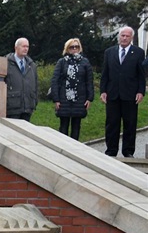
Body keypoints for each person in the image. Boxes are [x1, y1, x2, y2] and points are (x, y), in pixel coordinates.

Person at [100, 26, 146, 157]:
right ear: (119, 37)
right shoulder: (109, 52)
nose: (124, 38)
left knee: (130, 124)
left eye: (127, 36)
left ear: (131, 38)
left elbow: (141, 75)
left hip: (130, 94)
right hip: (113, 93)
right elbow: (105, 73)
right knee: (112, 123)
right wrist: (103, 90)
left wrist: (140, 91)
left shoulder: (138, 52)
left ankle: (128, 151)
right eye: (122, 35)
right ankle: (111, 150)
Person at [50, 38, 94, 140]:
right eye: (72, 47)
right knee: (63, 126)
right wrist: (56, 99)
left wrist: (89, 98)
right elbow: (55, 81)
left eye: (76, 47)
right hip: (64, 98)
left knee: (76, 126)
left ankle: (75, 150)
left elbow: (89, 81)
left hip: (79, 99)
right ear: (67, 49)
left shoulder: (85, 62)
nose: (74, 49)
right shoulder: (62, 62)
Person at [5, 37, 38, 121]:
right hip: (12, 106)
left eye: (27, 46)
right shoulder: (6, 63)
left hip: (28, 106)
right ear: (16, 47)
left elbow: (36, 84)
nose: (26, 49)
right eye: (23, 46)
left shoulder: (31, 65)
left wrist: (34, 102)